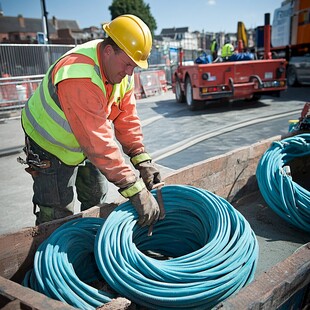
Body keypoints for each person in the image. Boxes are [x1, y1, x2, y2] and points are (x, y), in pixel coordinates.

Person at [20, 14, 162, 227]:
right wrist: (135, 190)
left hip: (85, 142)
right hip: (49, 146)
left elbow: (127, 116)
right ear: (108, 51)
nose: (129, 72)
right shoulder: (79, 75)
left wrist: (141, 159)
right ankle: (53, 254)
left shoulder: (121, 69)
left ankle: (93, 246)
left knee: (96, 200)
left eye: (134, 66)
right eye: (127, 64)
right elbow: (97, 141)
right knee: (58, 216)